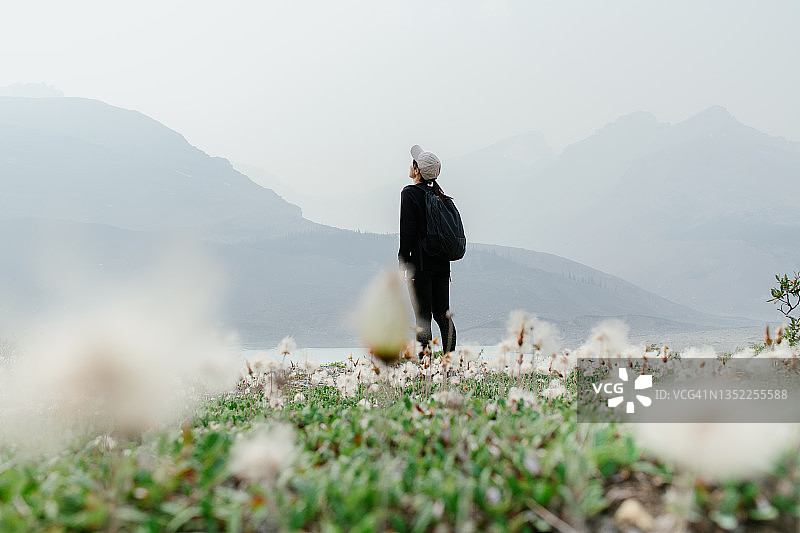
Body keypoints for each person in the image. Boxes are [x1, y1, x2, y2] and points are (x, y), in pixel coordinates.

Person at [398, 144, 457, 354]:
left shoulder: (410, 193)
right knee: (443, 315)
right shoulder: (438, 195)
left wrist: (403, 263)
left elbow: (407, 233)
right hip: (442, 264)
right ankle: (449, 364)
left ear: (416, 169)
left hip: (420, 266)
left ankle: (425, 368)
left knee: (422, 317)